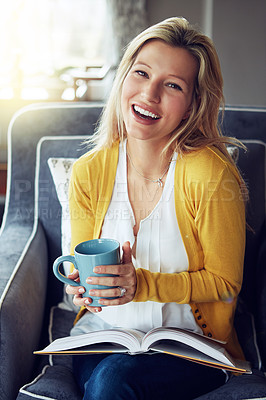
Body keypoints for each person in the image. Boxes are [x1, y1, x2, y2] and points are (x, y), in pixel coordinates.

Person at [66, 17, 246, 400]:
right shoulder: (88, 173)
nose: (149, 94)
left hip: (190, 345)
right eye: (142, 73)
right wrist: (80, 289)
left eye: (172, 85)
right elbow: (78, 266)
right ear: (124, 77)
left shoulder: (211, 175)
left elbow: (226, 285)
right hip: (104, 337)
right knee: (107, 381)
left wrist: (141, 284)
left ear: (193, 104)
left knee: (112, 384)